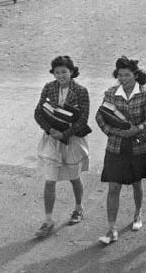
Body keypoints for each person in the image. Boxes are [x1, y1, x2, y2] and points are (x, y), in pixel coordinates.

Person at [96, 57, 146, 245]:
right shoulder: (110, 93)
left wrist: (137, 129)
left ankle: (138, 214)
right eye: (120, 75)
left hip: (139, 146)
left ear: (136, 75)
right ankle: (111, 228)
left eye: (127, 75)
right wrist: (114, 132)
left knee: (137, 183)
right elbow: (101, 117)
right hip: (116, 147)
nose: (123, 78)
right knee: (114, 187)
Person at [34, 56, 91, 238]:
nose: (60, 75)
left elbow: (83, 119)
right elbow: (38, 112)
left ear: (72, 72)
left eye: (64, 72)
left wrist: (64, 134)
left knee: (74, 177)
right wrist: (51, 130)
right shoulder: (48, 87)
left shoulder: (81, 91)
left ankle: (78, 208)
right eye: (57, 72)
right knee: (49, 180)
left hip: (71, 140)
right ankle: (48, 220)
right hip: (51, 140)